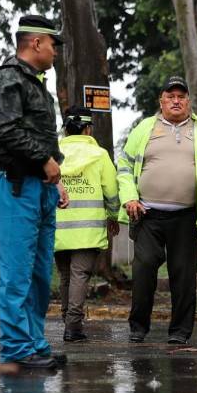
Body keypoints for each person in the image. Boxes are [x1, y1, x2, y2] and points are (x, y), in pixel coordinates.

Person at [117, 76, 197, 344]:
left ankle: (179, 332)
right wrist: (130, 197)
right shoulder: (145, 128)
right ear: (161, 101)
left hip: (187, 216)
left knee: (184, 276)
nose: (176, 101)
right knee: (143, 271)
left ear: (188, 101)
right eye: (170, 96)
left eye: (181, 96)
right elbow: (123, 167)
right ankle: (138, 328)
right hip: (147, 215)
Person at [0, 15, 70, 369]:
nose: (55, 52)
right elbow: (3, 130)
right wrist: (44, 160)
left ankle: (35, 343)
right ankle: (17, 352)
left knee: (38, 275)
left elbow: (40, 138)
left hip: (40, 188)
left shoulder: (36, 84)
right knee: (17, 274)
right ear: (36, 43)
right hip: (18, 187)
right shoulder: (7, 78)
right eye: (53, 44)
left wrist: (55, 176)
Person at [54, 106, 119, 342]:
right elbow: (111, 191)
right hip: (88, 230)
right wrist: (113, 216)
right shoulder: (100, 155)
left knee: (65, 275)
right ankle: (73, 327)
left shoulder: (53, 153)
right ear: (88, 128)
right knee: (80, 274)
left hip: (58, 228)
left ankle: (67, 321)